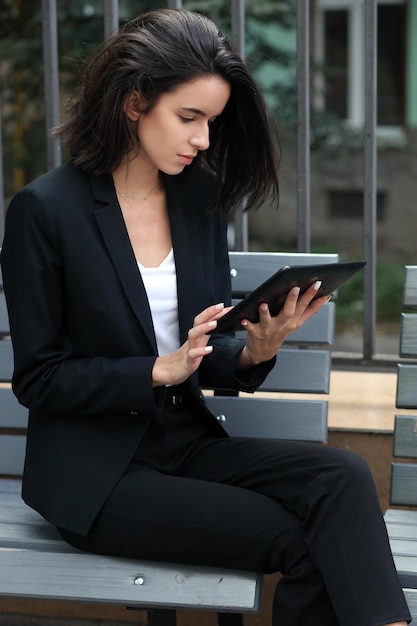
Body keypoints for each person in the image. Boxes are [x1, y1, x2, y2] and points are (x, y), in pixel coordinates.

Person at [0, 9, 410, 626]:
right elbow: (40, 379)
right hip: (100, 476)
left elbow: (206, 348)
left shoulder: (198, 201)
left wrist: (254, 351)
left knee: (343, 475)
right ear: (134, 104)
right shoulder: (46, 211)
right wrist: (155, 372)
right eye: (188, 119)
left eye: (211, 122)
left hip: (185, 446)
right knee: (297, 539)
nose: (203, 140)